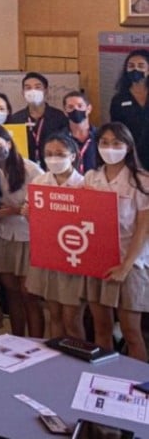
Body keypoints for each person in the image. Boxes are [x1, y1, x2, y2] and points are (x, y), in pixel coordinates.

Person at [84, 122, 149, 361]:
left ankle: (139, 387)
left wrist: (125, 266)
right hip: (98, 262)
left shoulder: (141, 180)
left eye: (116, 143)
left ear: (129, 147)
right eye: (104, 143)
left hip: (130, 264)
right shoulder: (91, 177)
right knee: (102, 329)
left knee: (132, 333)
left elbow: (143, 230)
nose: (110, 148)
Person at [0, 123, 44, 337]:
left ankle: (36, 343)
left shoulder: (30, 169)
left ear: (8, 142)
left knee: (29, 294)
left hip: (29, 237)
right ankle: (17, 338)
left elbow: (42, 205)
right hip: (4, 236)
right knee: (12, 293)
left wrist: (14, 210)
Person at [26, 133, 87, 340]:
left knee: (72, 319)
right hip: (49, 255)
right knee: (54, 315)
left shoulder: (84, 184)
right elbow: (33, 218)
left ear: (73, 155)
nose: (54, 158)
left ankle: (79, 361)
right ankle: (56, 362)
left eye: (60, 154)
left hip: (74, 257)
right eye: (49, 154)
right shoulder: (39, 181)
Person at [8, 71, 67, 164]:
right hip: (25, 168)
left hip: (52, 166)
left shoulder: (59, 117)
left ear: (46, 91)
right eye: (28, 88)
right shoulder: (15, 119)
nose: (33, 91)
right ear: (23, 93)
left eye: (37, 87)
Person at [109, 50, 149, 169]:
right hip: (130, 155)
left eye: (141, 66)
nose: (135, 69)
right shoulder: (119, 99)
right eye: (131, 66)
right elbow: (116, 130)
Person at [62, 91, 97, 174]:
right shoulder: (60, 139)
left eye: (80, 106)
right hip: (69, 184)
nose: (76, 110)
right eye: (70, 107)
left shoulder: (100, 136)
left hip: (95, 184)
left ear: (88, 109)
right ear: (65, 112)